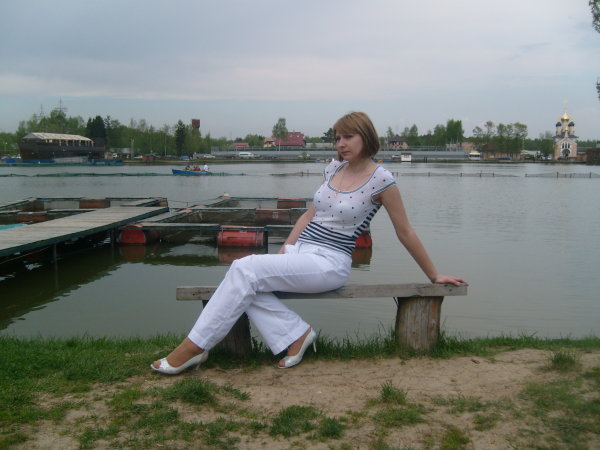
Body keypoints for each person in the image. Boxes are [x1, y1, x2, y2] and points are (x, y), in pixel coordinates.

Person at [151, 111, 466, 375]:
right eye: (337, 138)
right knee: (246, 279)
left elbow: (405, 232)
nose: (341, 144)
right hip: (301, 252)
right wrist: (286, 248)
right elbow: (308, 214)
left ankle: (195, 347)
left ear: (367, 137)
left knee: (244, 269)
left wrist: (433, 275)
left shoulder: (382, 180)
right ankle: (296, 335)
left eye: (348, 137)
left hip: (330, 263)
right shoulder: (333, 168)